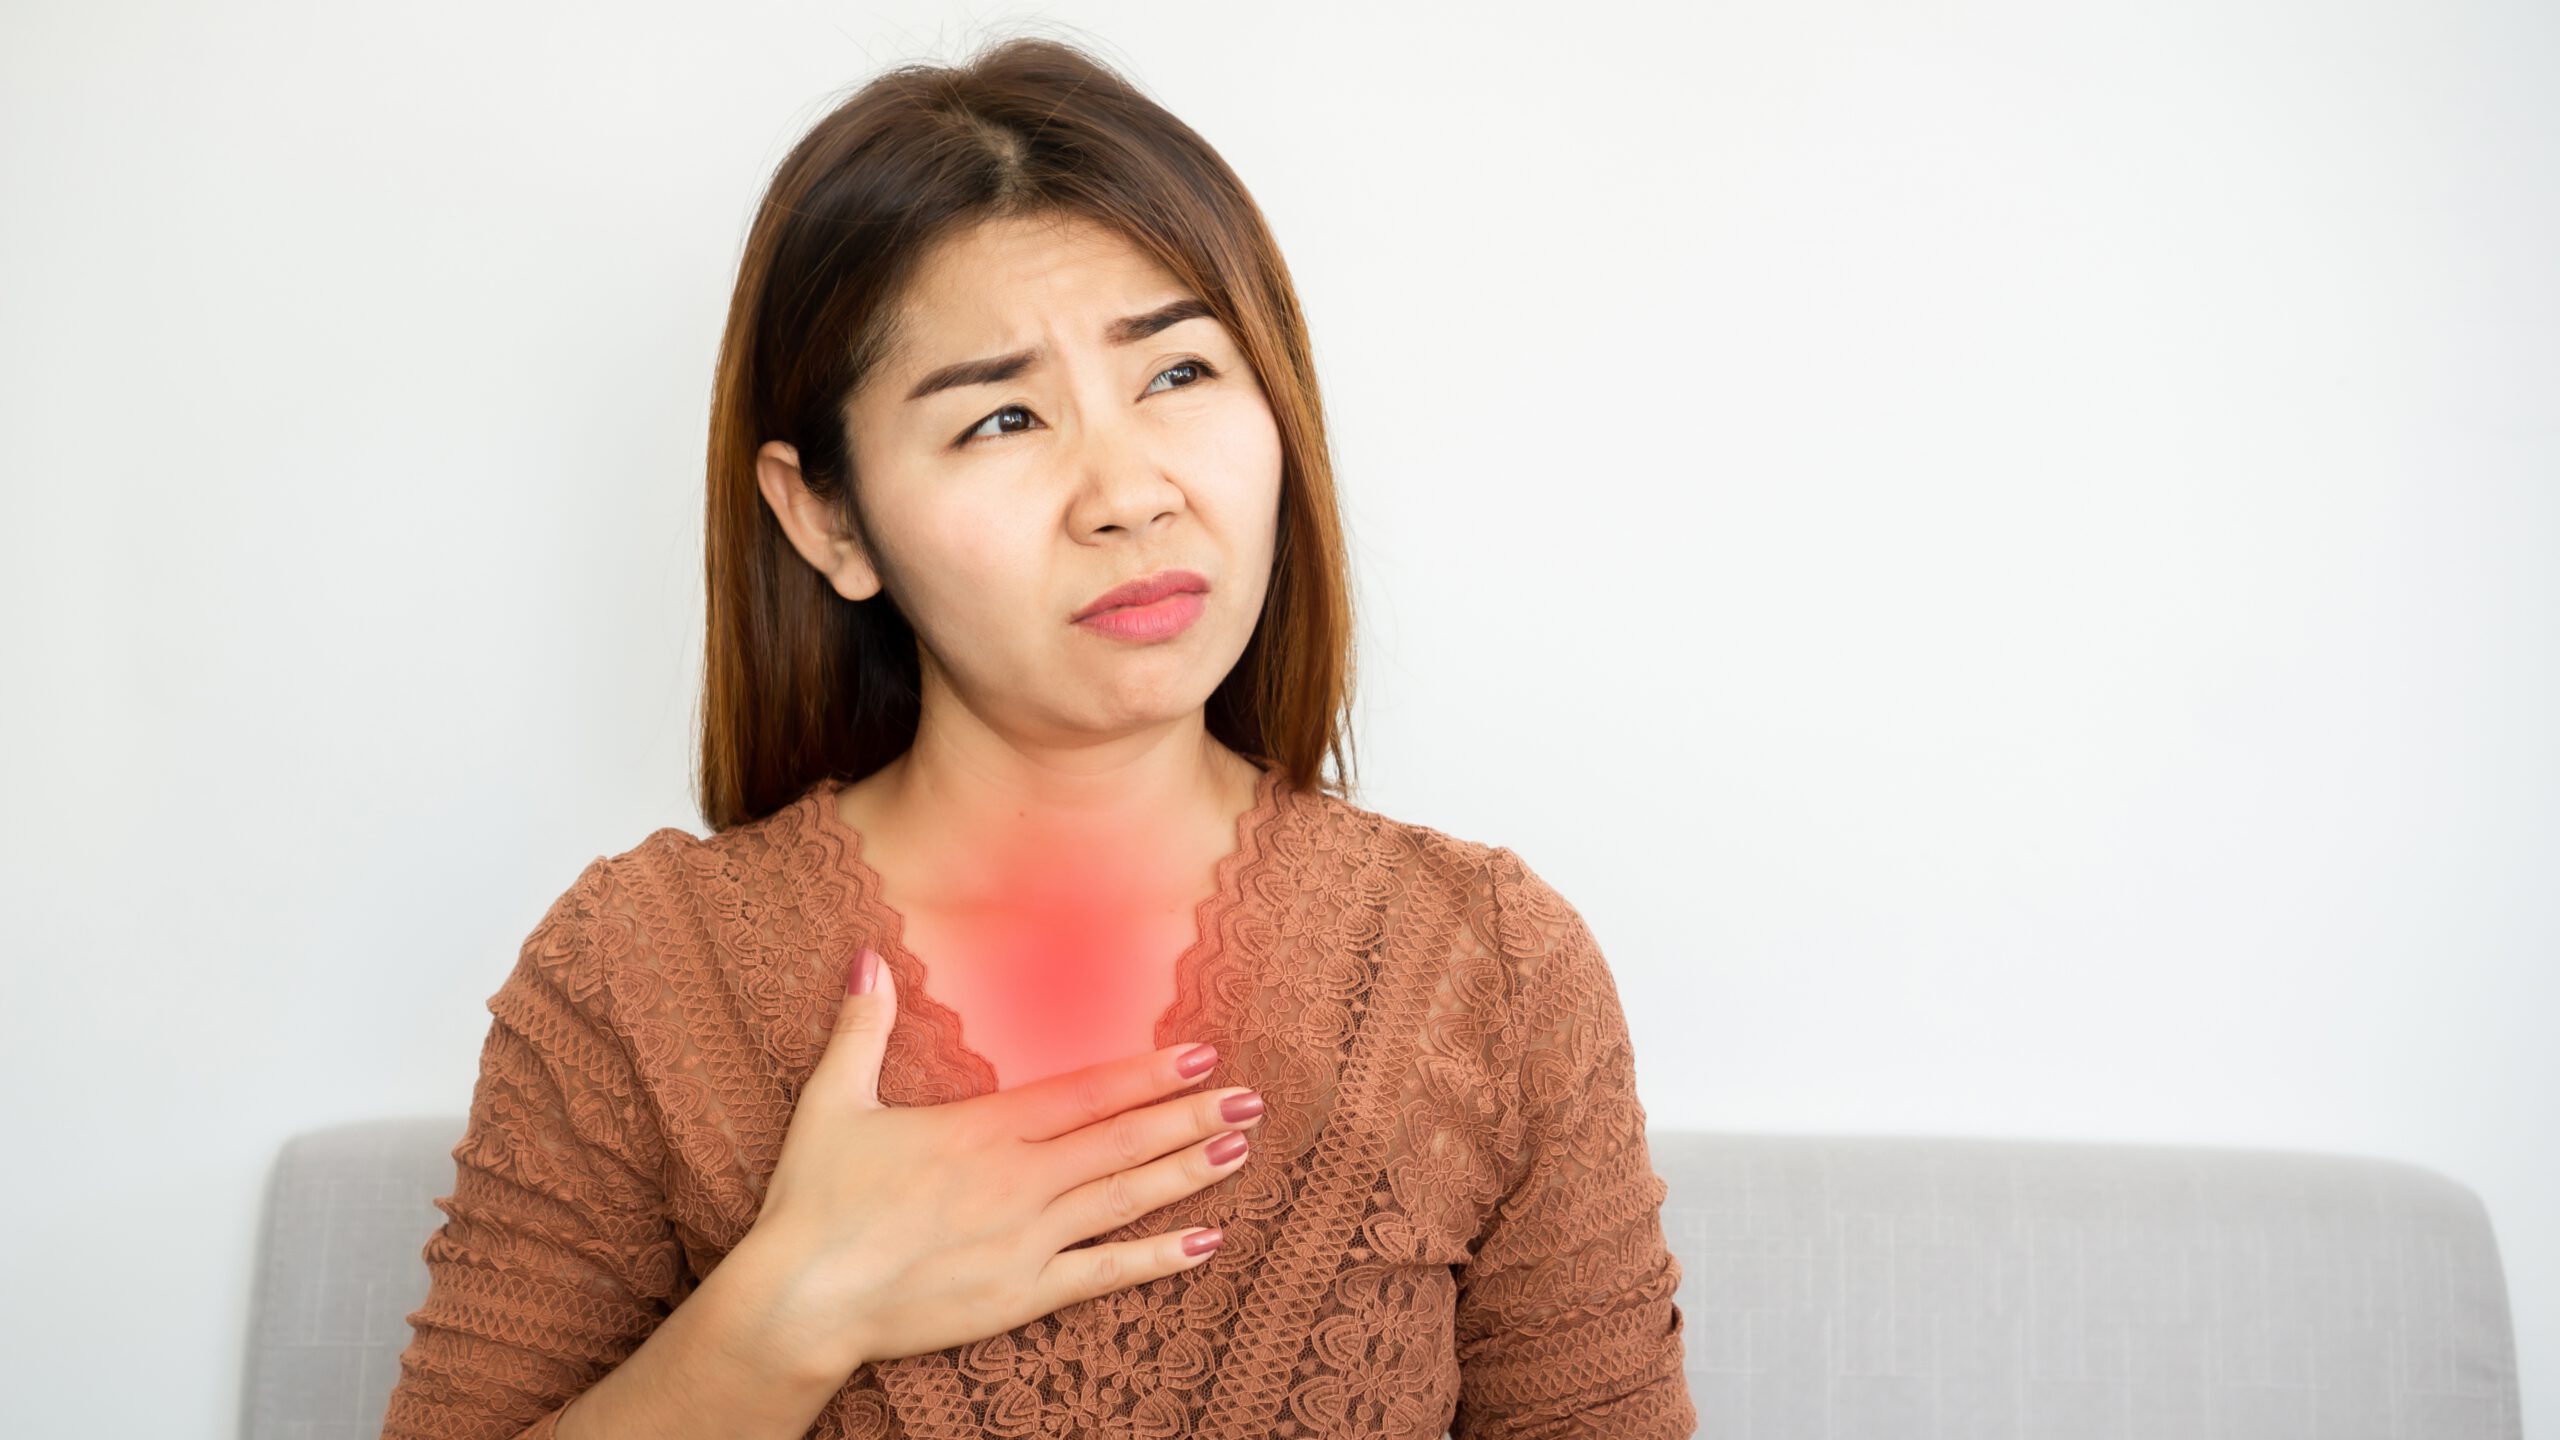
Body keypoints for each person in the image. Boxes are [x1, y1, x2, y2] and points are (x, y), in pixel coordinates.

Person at [380, 31, 1694, 1440]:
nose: (1128, 493)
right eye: (1004, 417)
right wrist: (791, 1311)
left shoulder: (1489, 966)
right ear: (827, 517)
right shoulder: (637, 975)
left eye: (1179, 374)